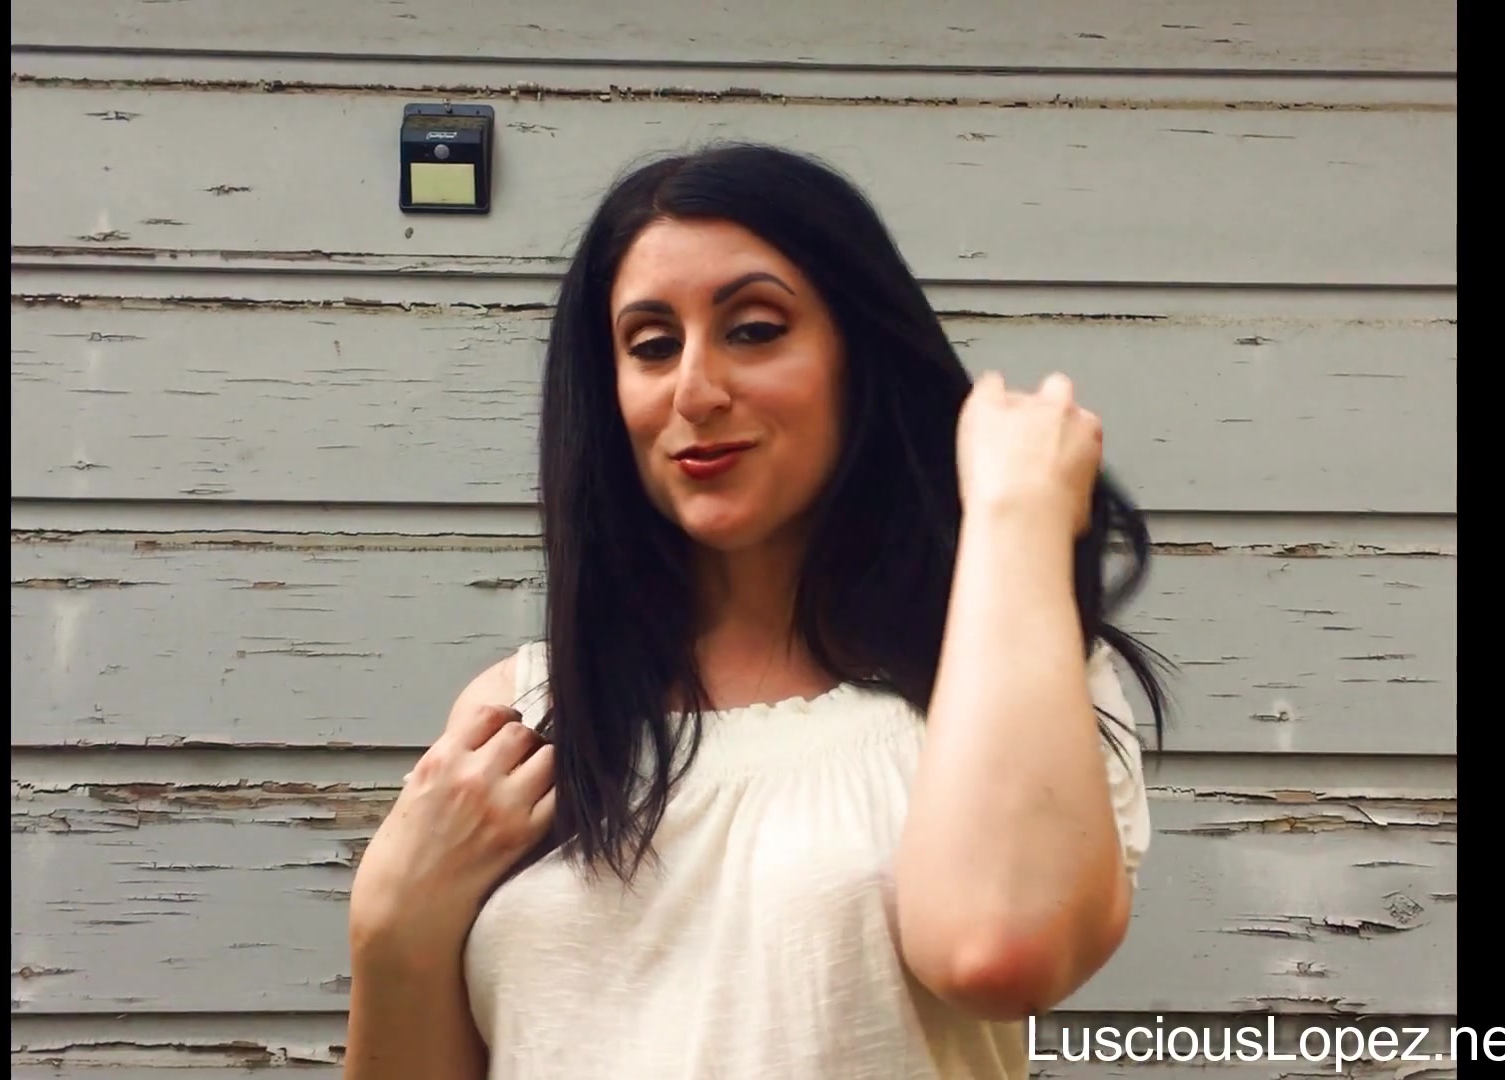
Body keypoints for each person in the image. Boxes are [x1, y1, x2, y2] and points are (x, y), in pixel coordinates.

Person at [342, 142, 1171, 1079]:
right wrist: (390, 922)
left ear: (860, 358)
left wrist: (1016, 511)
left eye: (753, 329)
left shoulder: (1006, 689)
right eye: (652, 346)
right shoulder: (527, 717)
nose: (695, 391)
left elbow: (997, 948)